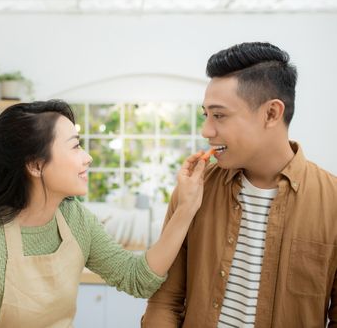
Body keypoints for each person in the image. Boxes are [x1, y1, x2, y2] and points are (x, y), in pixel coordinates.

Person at [0, 100, 206, 328]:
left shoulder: (75, 220)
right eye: (75, 146)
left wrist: (185, 209)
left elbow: (138, 279)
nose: (88, 157)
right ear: (35, 165)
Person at [142, 42, 337, 328]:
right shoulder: (193, 191)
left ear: (271, 114)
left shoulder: (332, 202)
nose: (206, 130)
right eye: (205, 115)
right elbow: (164, 301)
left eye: (219, 115)